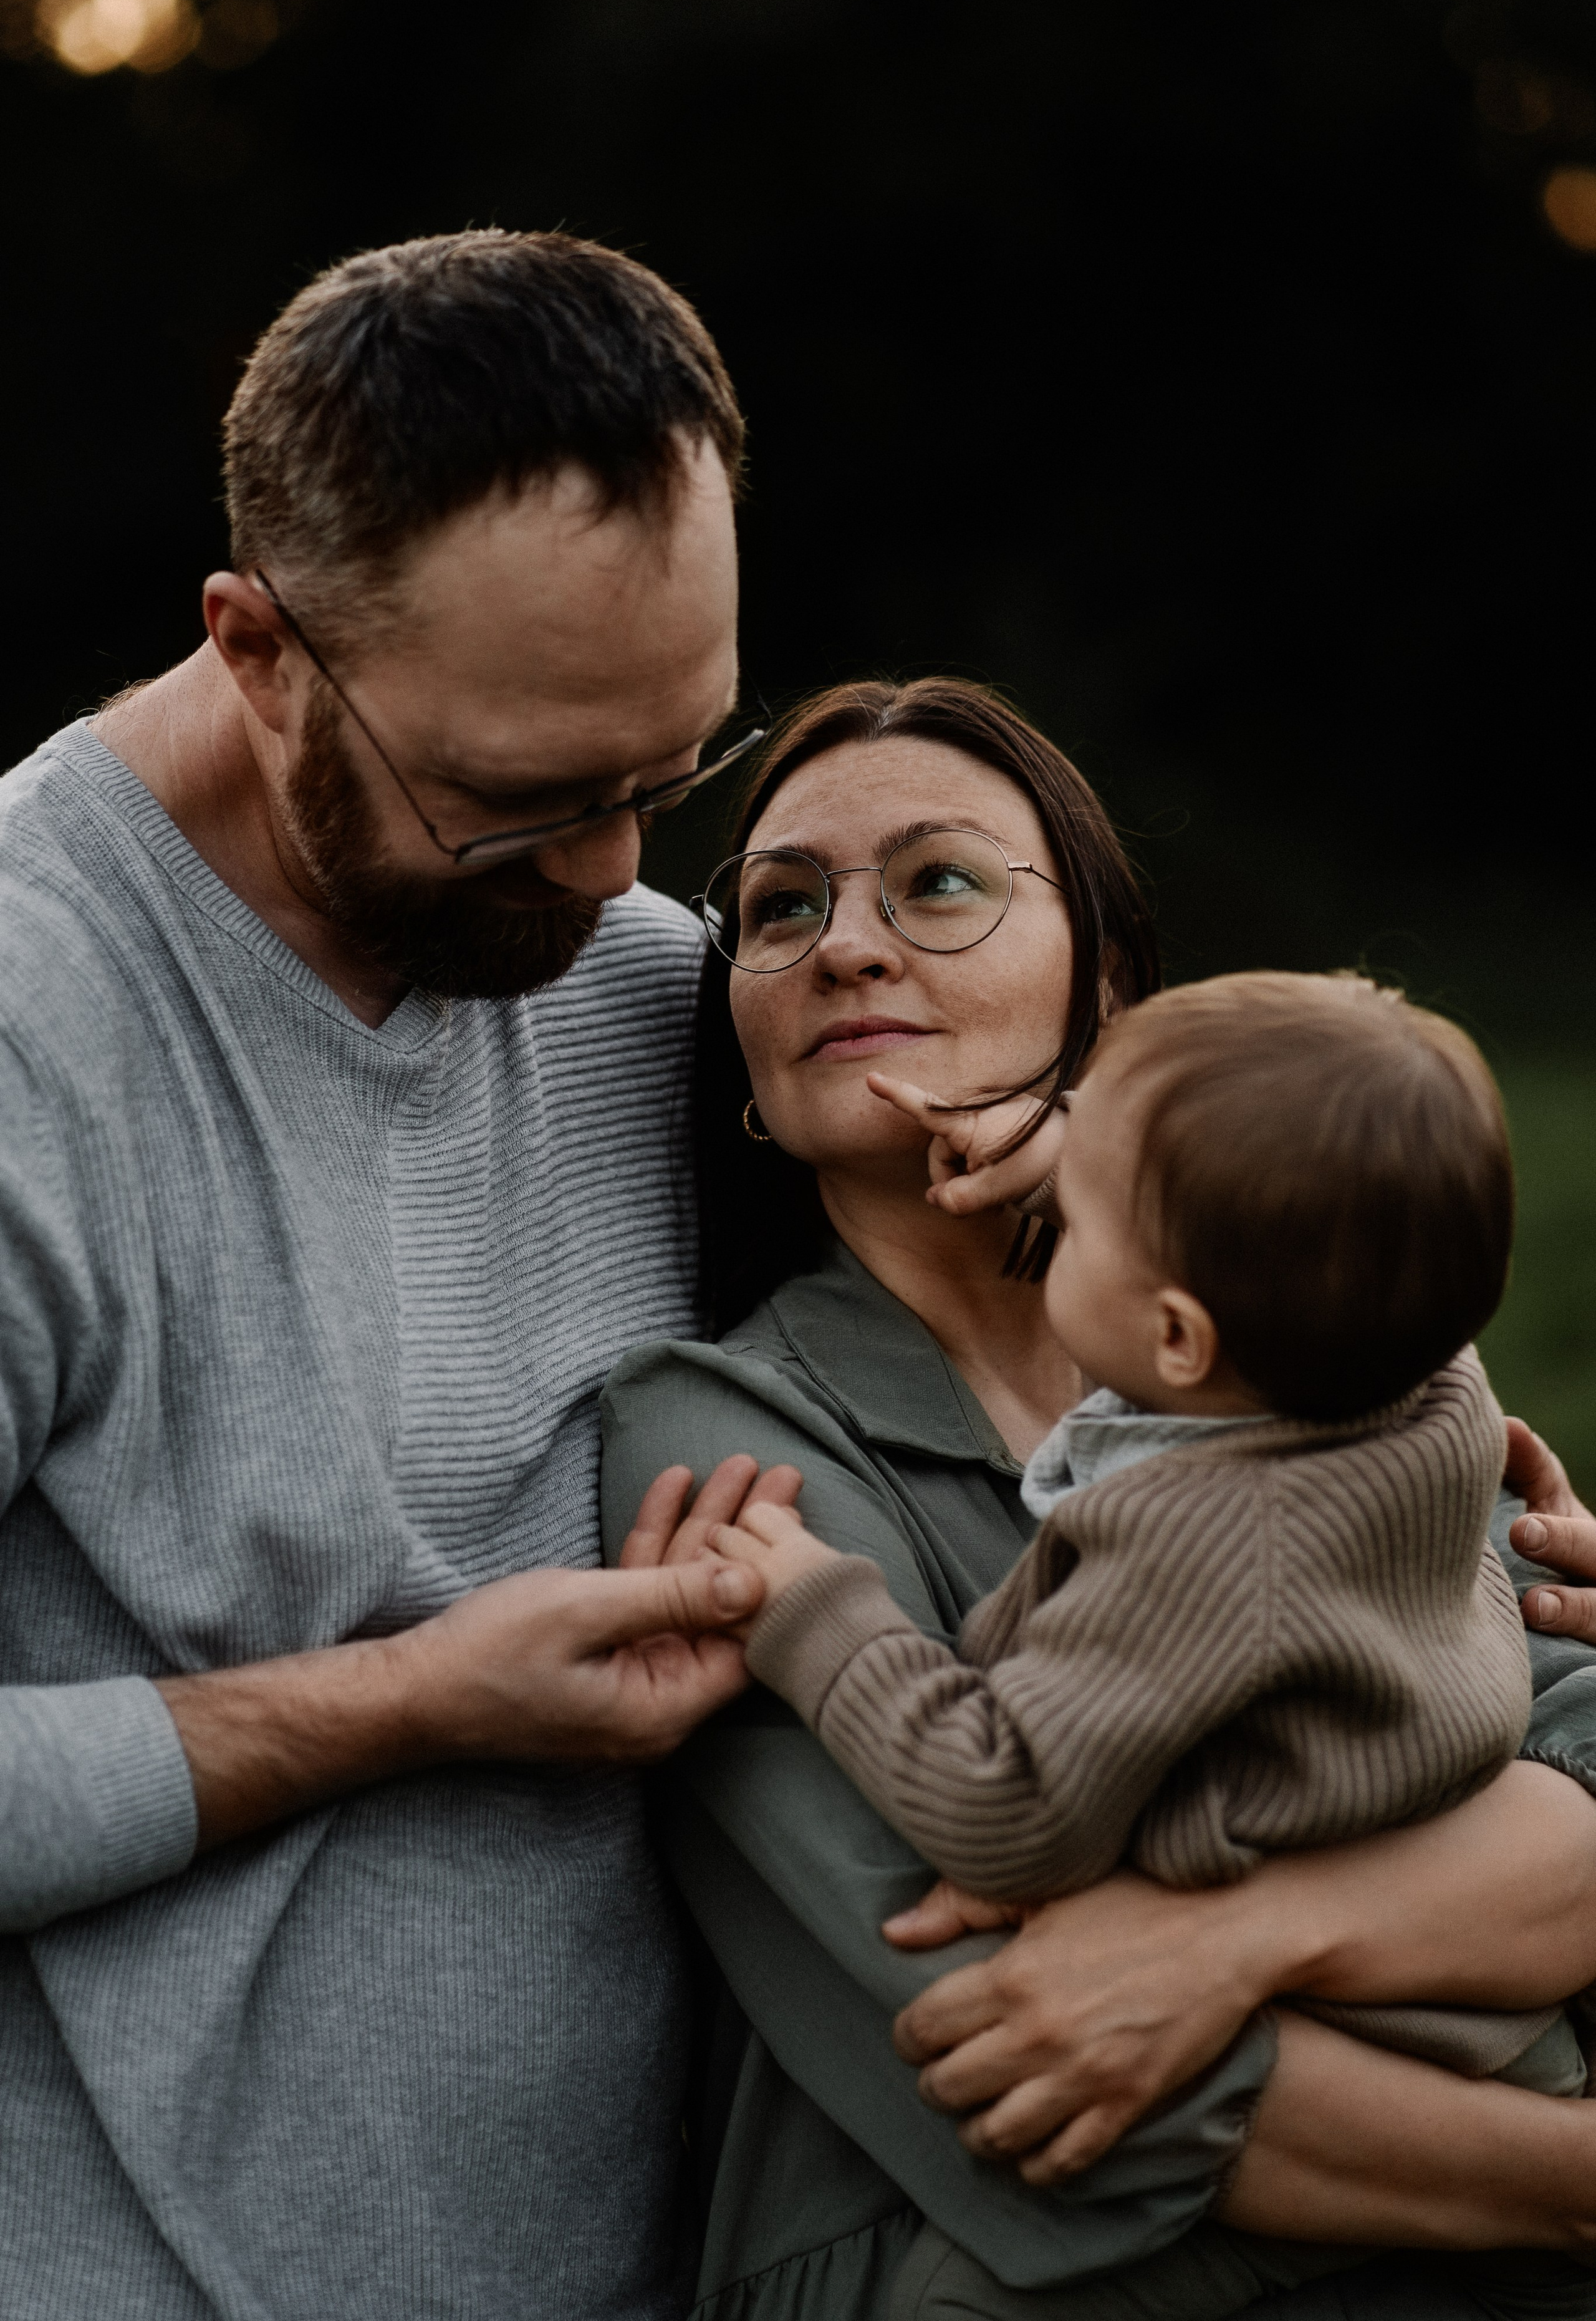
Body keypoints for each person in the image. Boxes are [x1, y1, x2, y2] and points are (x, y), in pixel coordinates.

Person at [599, 676, 1596, 2321]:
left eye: (938, 881)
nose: (845, 945)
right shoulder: (722, 1439)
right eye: (782, 909)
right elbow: (1004, 2050)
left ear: (1107, 986)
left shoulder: (1319, 1333)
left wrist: (1237, 1942)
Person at [0, 228, 773, 2319]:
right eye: (517, 796)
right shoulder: (29, 1018)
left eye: (673, 771)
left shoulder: (658, 989)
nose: (622, 876)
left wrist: (1428, 1520)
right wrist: (404, 1708)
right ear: (257, 649)